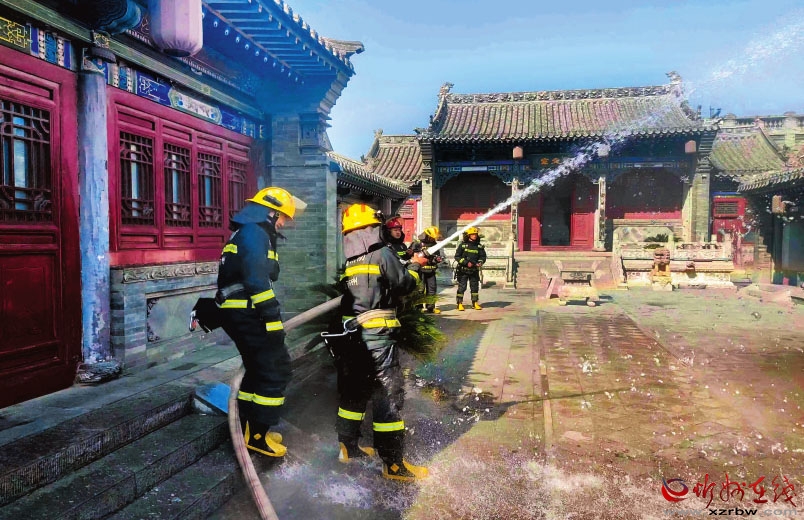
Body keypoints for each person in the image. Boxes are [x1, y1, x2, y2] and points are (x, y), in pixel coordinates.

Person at [335, 203, 430, 481]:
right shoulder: (382, 254)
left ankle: (348, 448)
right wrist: (416, 265)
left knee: (355, 392)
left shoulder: (350, 262)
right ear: (370, 229)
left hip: (354, 340)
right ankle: (393, 464)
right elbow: (404, 285)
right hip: (378, 340)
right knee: (388, 396)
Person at [216, 186, 306, 458]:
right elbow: (258, 282)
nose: (283, 224)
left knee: (256, 371)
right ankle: (257, 436)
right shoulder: (255, 233)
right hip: (248, 313)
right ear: (270, 212)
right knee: (275, 370)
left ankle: (248, 429)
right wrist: (272, 320)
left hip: (238, 312)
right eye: (283, 217)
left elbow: (266, 273)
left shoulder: (250, 231)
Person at [410, 226, 444, 313]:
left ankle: (430, 307)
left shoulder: (435, 244)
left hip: (431, 271)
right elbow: (413, 256)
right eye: (432, 237)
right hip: (420, 271)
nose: (433, 239)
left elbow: (437, 256)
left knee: (432, 289)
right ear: (427, 236)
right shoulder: (417, 243)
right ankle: (418, 308)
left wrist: (437, 259)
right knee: (420, 290)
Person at [454, 226, 486, 311]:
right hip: (463, 270)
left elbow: (483, 256)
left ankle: (475, 303)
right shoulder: (463, 245)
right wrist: (465, 263)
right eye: (472, 234)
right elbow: (457, 256)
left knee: (474, 287)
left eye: (475, 234)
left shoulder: (479, 246)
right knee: (462, 287)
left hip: (474, 270)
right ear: (468, 235)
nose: (474, 236)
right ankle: (459, 303)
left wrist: (480, 262)